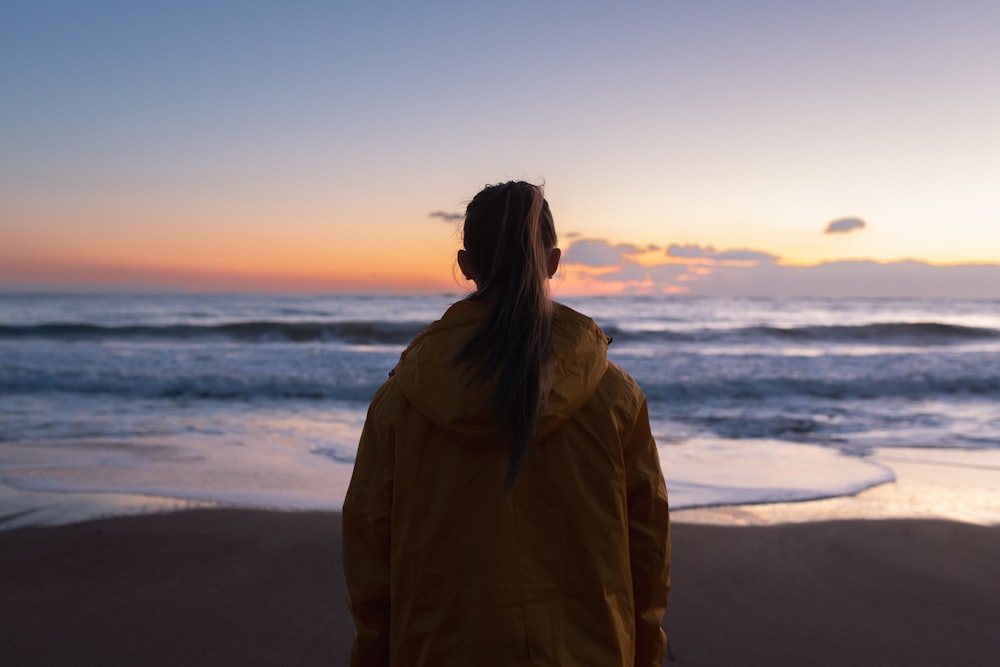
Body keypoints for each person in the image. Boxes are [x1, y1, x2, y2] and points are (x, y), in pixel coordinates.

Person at [343, 181, 670, 666]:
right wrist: (645, 655)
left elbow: (370, 556)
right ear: (552, 262)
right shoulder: (615, 396)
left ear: (466, 264)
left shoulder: (400, 402)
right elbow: (648, 549)